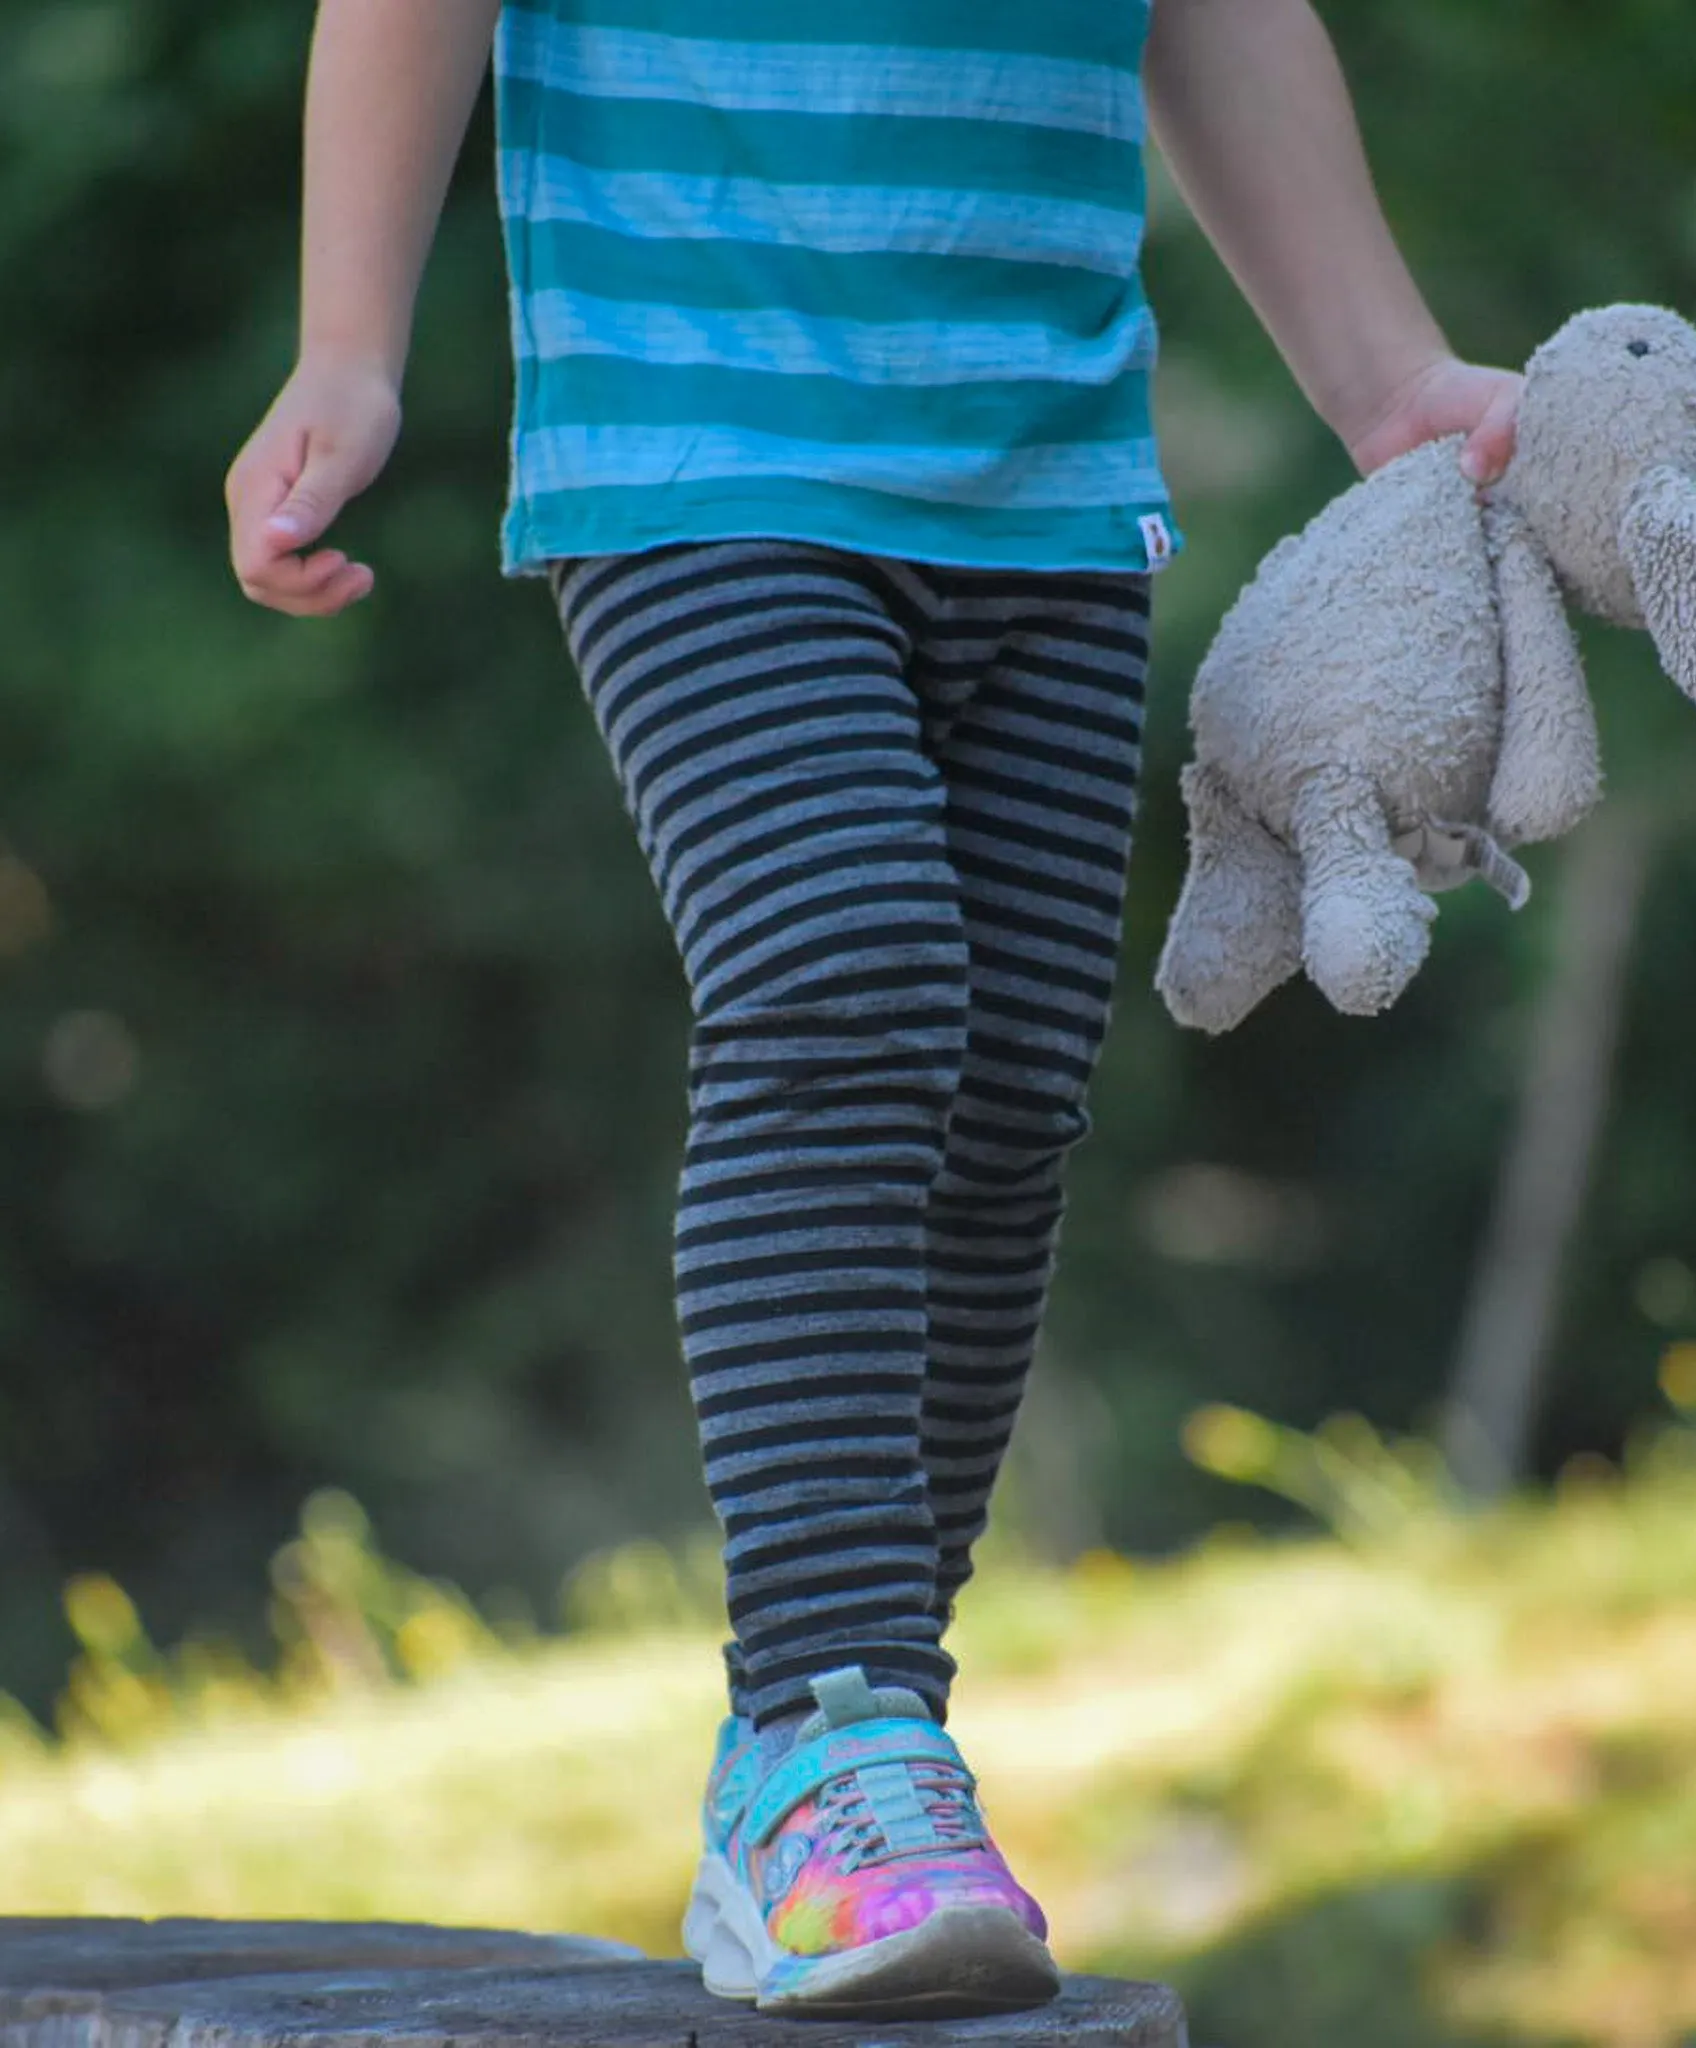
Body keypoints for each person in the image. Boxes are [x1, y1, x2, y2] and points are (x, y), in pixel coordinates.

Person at [225, 0, 1522, 2020]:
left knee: (1006, 1084)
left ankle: (858, 1760)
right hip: (707, 441)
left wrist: (1381, 379)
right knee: (847, 991)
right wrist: (346, 347)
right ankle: (824, 1726)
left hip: (1048, 469)